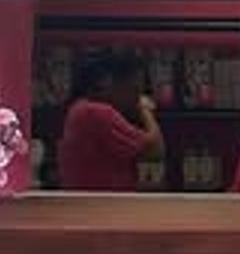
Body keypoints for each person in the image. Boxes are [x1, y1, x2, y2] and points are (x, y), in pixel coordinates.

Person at [56, 51, 165, 191]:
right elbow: (155, 150)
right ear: (107, 82)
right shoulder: (96, 113)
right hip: (99, 206)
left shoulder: (81, 109)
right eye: (134, 89)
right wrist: (145, 110)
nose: (136, 97)